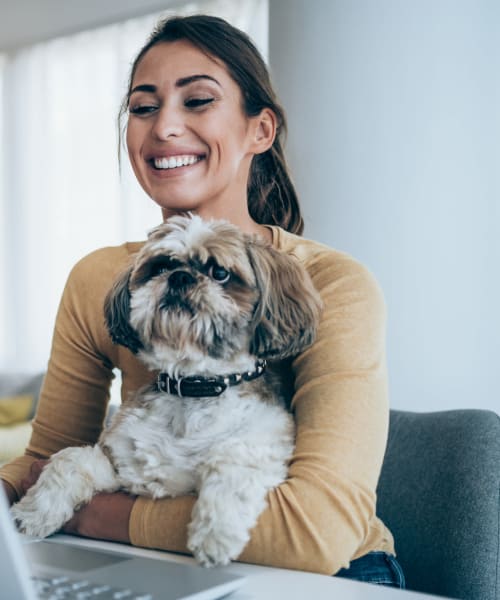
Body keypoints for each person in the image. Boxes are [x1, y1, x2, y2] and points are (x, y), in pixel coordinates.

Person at [0, 14, 405, 588]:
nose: (164, 126)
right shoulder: (102, 278)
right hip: (153, 563)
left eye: (197, 101)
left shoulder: (331, 282)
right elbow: (48, 458)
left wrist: (95, 514)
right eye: (143, 107)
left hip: (337, 575)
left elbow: (316, 535)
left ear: (259, 130)